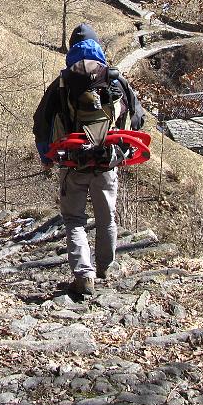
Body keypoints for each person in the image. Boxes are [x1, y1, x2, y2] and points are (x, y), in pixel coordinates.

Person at [32, 23, 145, 296]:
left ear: (72, 49)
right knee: (107, 218)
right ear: (98, 47)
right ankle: (106, 267)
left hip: (73, 163)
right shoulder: (114, 79)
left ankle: (84, 274)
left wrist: (46, 155)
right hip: (107, 160)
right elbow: (138, 117)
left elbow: (41, 122)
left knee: (74, 220)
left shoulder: (62, 82)